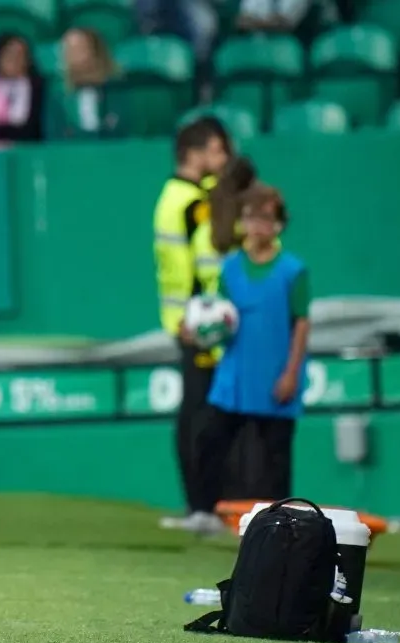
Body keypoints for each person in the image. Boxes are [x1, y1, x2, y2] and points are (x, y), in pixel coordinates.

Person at [190, 183, 310, 524]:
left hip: (274, 375)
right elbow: (220, 317)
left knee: (275, 458)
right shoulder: (230, 267)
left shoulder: (293, 271)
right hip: (235, 375)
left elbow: (301, 323)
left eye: (264, 219)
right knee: (209, 440)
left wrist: (291, 373)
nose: (256, 226)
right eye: (250, 218)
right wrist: (199, 331)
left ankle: (277, 525)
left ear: (278, 225)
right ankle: (204, 512)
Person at [152, 118, 229, 532]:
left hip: (200, 324)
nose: (223, 158)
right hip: (197, 327)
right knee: (198, 416)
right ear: (193, 153)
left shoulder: (187, 197)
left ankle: (208, 506)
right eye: (216, 150)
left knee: (205, 415)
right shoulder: (185, 202)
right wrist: (188, 320)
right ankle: (201, 507)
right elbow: (184, 270)